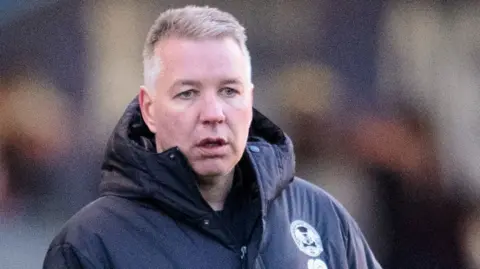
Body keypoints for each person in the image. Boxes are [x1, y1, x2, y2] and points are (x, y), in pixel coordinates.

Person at [43, 5, 381, 269]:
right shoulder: (90, 245)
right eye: (188, 93)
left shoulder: (319, 216)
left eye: (229, 91)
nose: (213, 114)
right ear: (148, 109)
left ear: (250, 102)